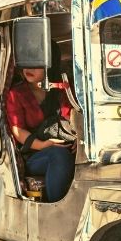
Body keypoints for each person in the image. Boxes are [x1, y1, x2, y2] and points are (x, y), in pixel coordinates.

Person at [5, 67, 74, 202]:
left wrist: (80, 140)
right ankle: (55, 211)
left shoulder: (61, 87)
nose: (28, 68)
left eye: (36, 63)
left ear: (48, 63)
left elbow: (73, 116)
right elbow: (18, 131)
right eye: (26, 62)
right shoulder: (16, 93)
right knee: (58, 156)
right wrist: (43, 145)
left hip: (66, 144)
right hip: (33, 154)